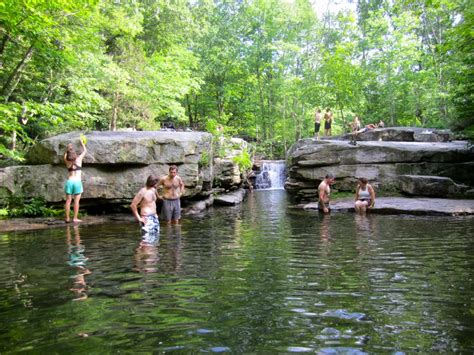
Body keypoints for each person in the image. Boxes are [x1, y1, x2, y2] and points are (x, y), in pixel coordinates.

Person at [131, 175, 160, 241]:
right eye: (155, 183)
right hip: (146, 218)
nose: (157, 185)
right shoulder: (142, 191)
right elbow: (133, 205)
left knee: (155, 239)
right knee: (146, 241)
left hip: (154, 218)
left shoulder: (153, 189)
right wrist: (139, 218)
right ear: (151, 183)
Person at [64, 139, 87, 223]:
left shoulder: (67, 161)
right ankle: (75, 218)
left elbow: (66, 155)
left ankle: (67, 218)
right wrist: (82, 143)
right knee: (76, 201)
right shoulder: (79, 159)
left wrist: (68, 149)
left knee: (68, 201)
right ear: (75, 154)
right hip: (77, 182)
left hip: (69, 182)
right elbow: (85, 151)